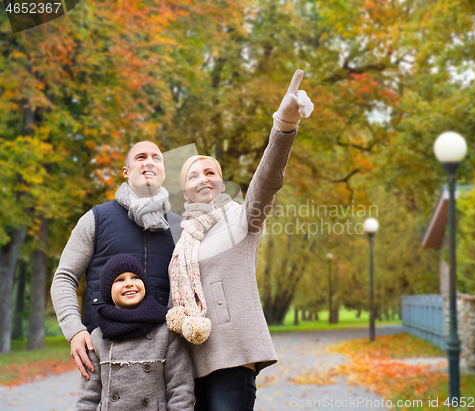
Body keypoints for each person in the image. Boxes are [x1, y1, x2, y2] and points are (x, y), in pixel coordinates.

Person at [166, 69, 314, 410]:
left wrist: (284, 125)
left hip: (232, 357)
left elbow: (267, 179)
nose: (203, 179)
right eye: (193, 175)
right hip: (187, 363)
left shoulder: (241, 218)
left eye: (211, 172)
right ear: (183, 188)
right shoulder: (181, 235)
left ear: (221, 181)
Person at [51, 141, 183, 380]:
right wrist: (74, 330)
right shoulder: (96, 219)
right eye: (141, 157)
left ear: (164, 172)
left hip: (164, 353)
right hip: (106, 350)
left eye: (156, 158)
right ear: (126, 171)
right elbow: (64, 277)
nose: (149, 162)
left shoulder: (180, 227)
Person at [76, 254, 195, 411]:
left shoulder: (165, 331)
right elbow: (88, 396)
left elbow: (180, 389)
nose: (129, 284)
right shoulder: (98, 337)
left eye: (135, 277)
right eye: (119, 280)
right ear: (107, 290)